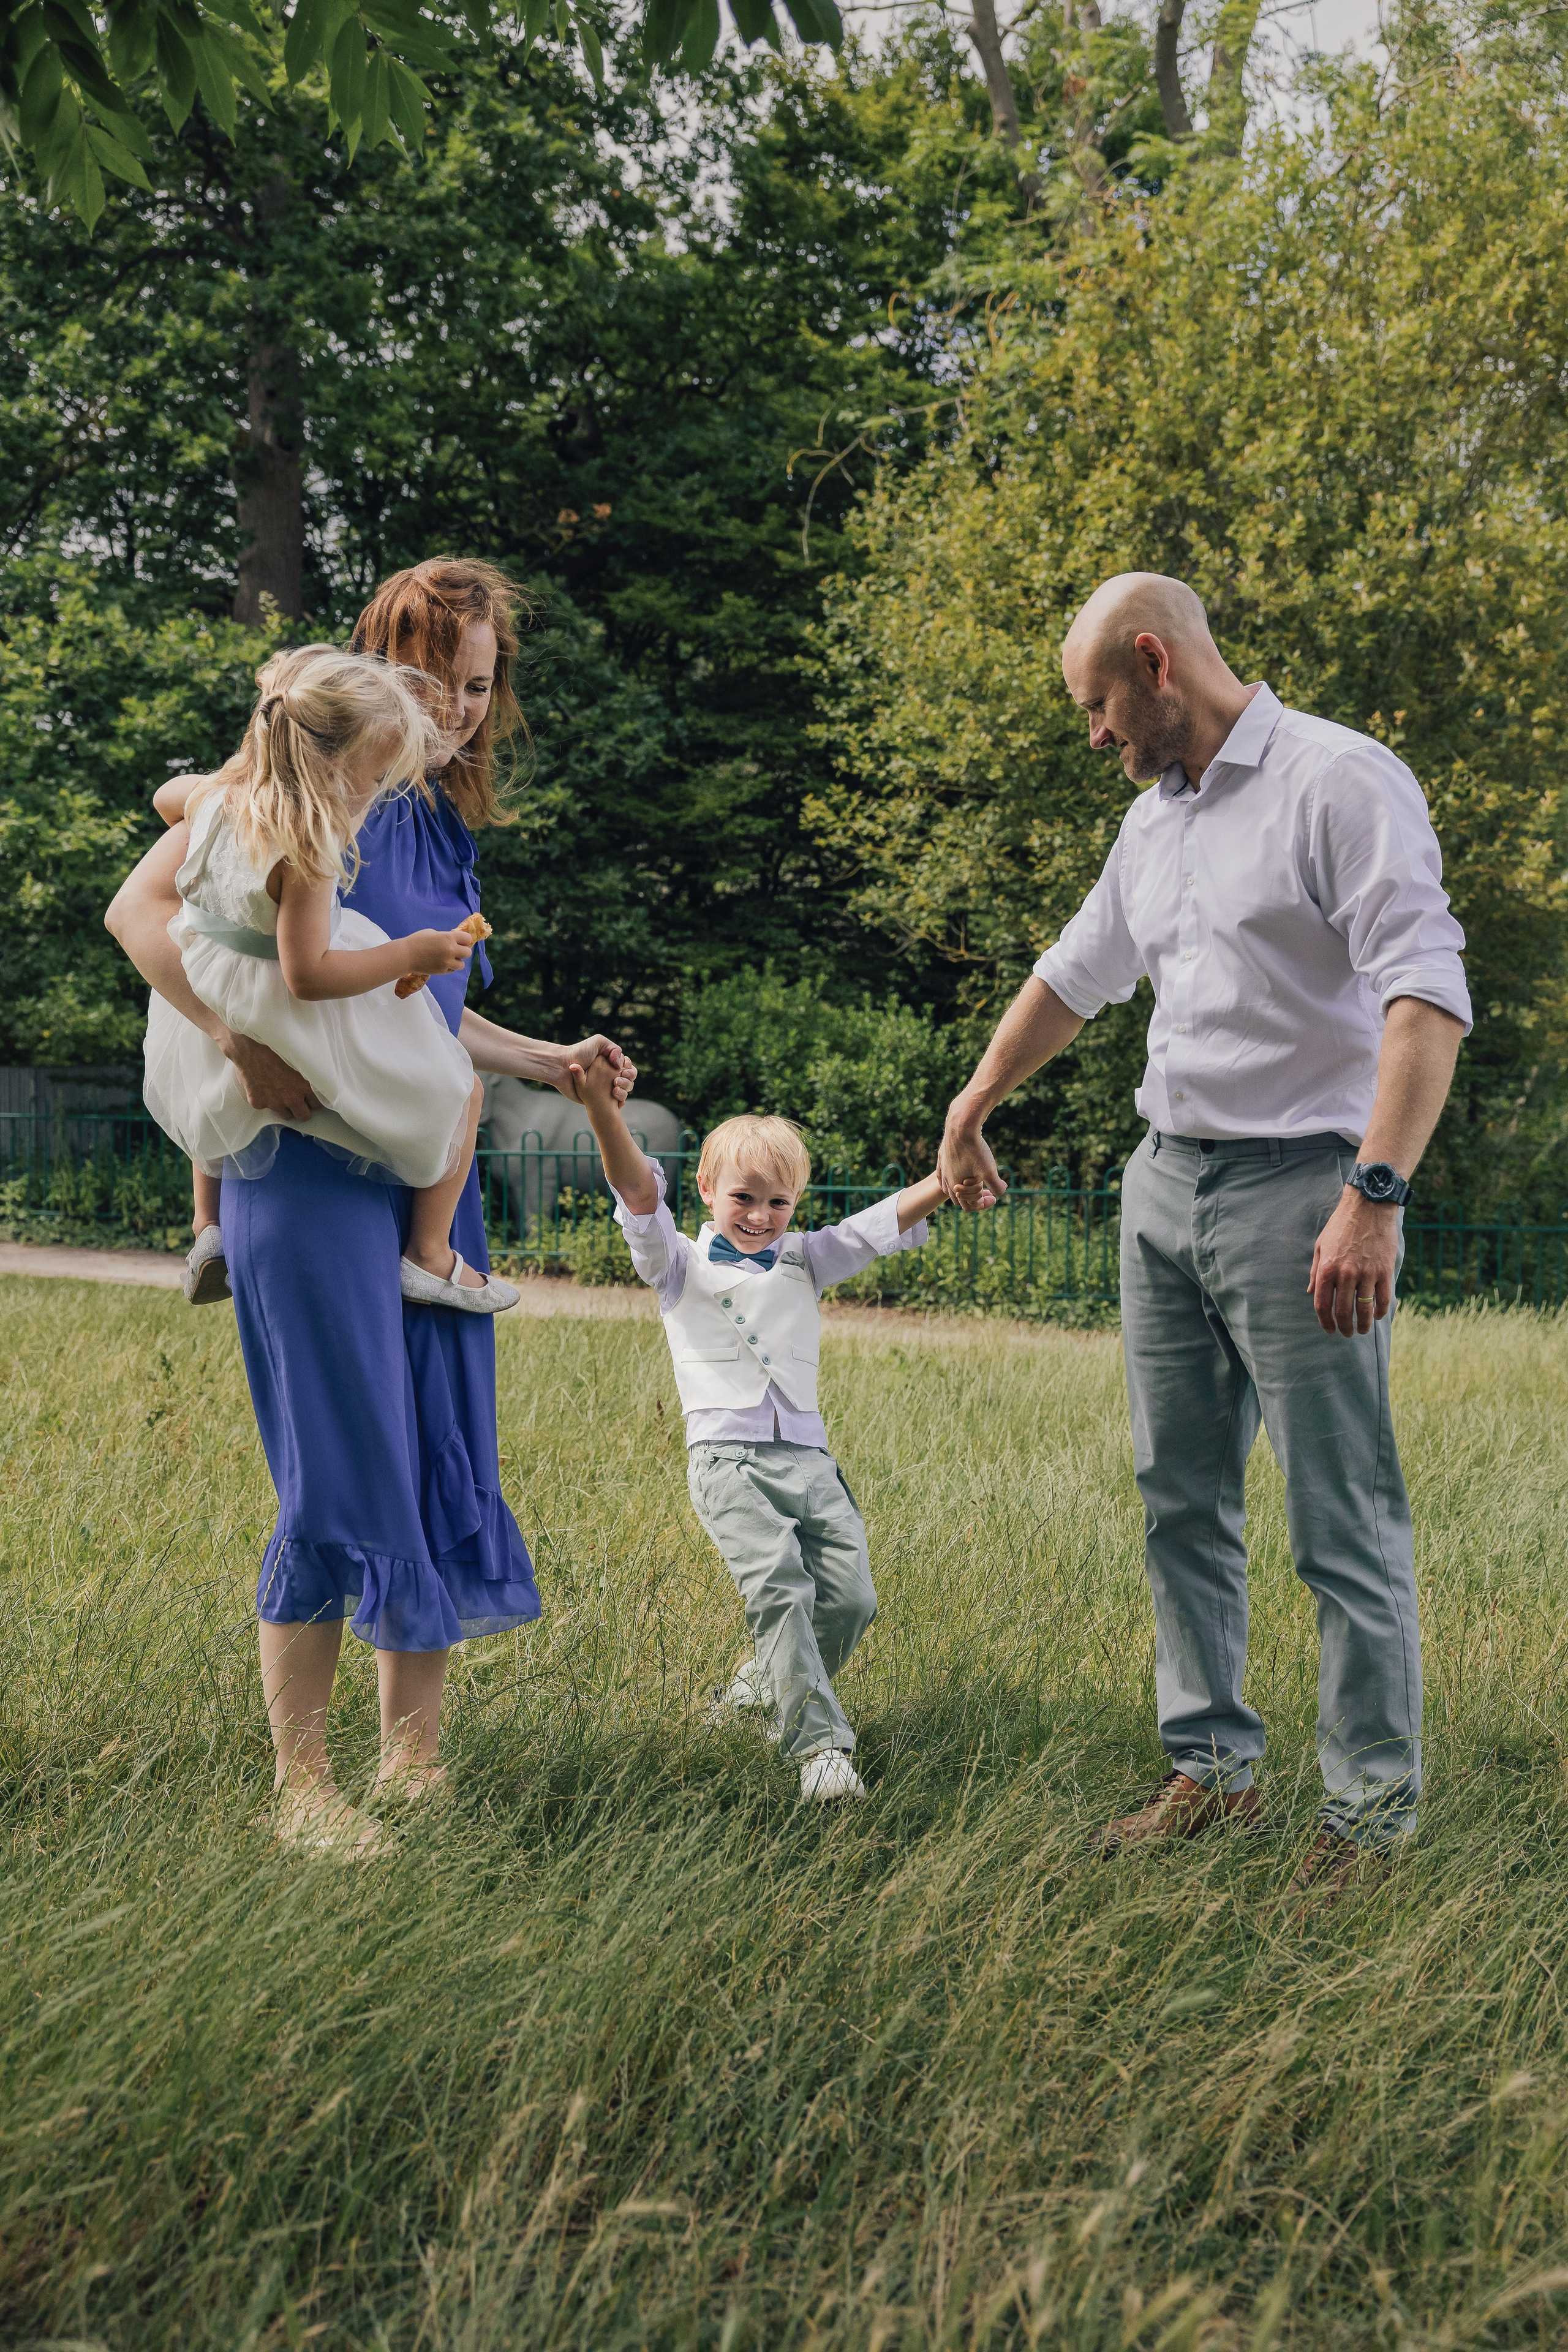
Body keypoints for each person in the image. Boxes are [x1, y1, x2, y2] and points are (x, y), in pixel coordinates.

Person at [938, 572, 1470, 1896]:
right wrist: (974, 1100)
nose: (1094, 735)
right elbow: (1074, 975)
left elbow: (1423, 1000)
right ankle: (1212, 1771)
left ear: (1150, 661)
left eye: (1095, 707)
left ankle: (1366, 1823)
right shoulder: (1153, 823)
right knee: (1178, 1499)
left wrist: (1373, 1194)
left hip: (1306, 1189)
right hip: (1162, 1186)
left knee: (1337, 1516)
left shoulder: (1339, 783)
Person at [105, 557, 636, 1853]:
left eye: (477, 684)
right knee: (342, 1463)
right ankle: (304, 1789)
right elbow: (140, 913)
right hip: (303, 1171)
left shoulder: (434, 821)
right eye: (435, 680)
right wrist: (234, 1046)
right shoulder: (297, 788)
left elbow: (426, 1009)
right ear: (379, 668)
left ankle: (413, 1767)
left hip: (416, 1183)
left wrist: (548, 1060)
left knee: (433, 1452)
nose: (458, 710)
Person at [571, 1050, 944, 1803]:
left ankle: (747, 1697)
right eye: (743, 1197)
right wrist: (602, 1110)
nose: (759, 1216)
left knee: (850, 1599)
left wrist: (943, 1181)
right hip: (727, 1461)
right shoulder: (674, 1262)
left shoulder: (807, 1258)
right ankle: (819, 1751)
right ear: (707, 1190)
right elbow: (639, 1193)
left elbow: (874, 1229)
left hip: (809, 1460)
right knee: (778, 1585)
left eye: (778, 1203)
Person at [145, 643, 516, 1315]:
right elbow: (309, 975)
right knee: (458, 1087)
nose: (373, 797)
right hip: (275, 999)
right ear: (329, 767)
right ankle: (430, 1256)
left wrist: (210, 803)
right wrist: (411, 955)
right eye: (372, 780)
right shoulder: (310, 846)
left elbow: (164, 796)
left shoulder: (222, 798)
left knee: (209, 1111)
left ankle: (207, 1227)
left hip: (206, 984)